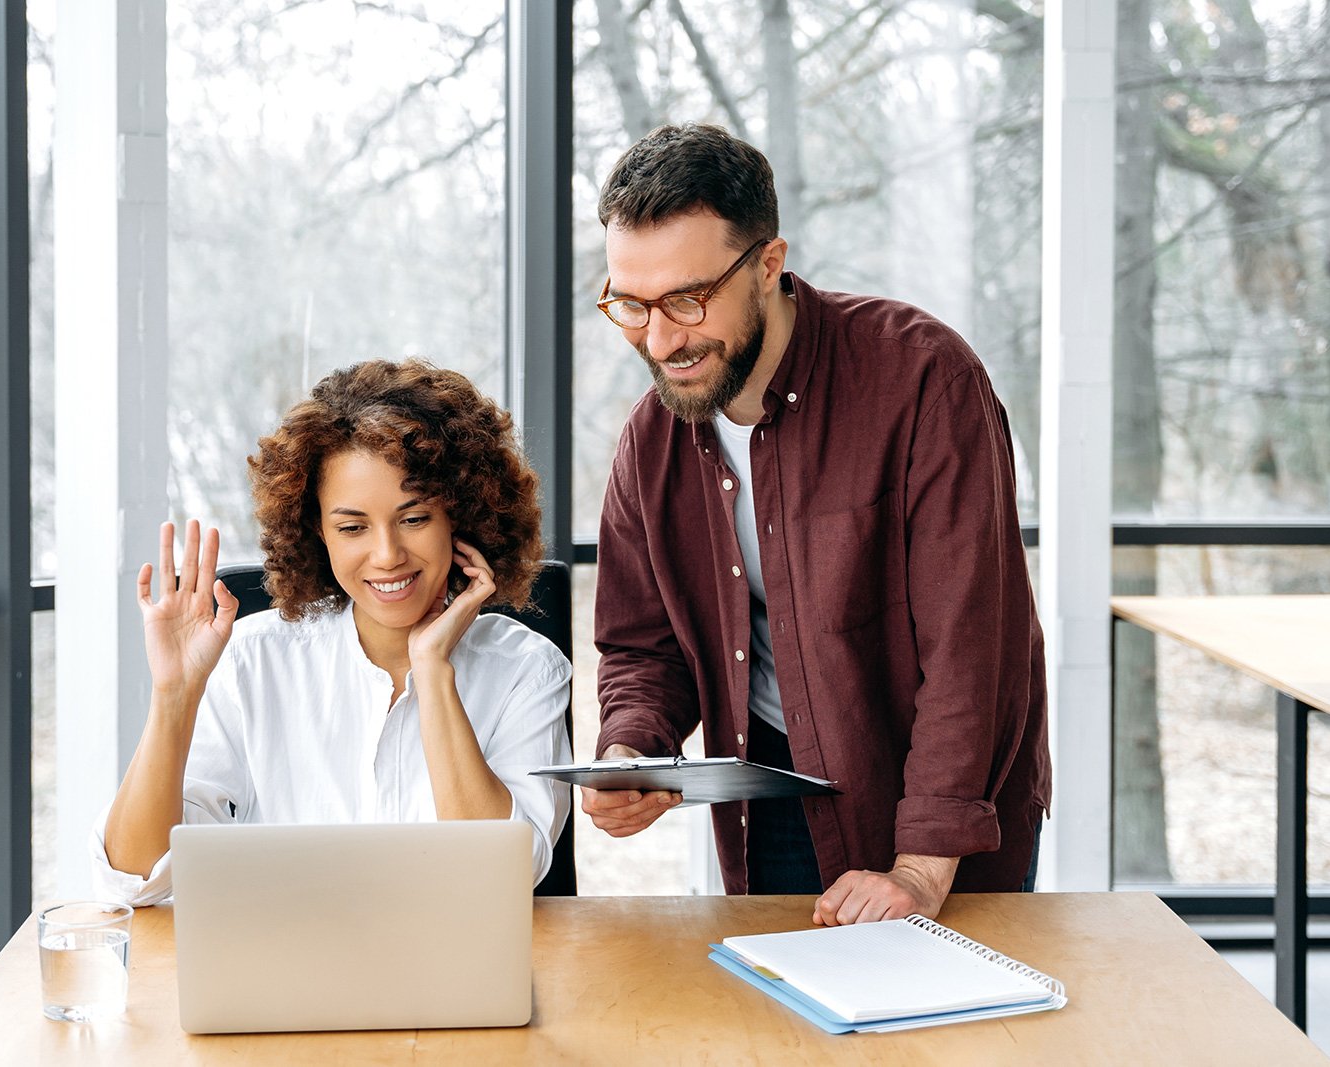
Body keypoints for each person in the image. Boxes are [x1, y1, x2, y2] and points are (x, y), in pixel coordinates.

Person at [581, 123, 1050, 926]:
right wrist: (634, 748)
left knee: (944, 1045)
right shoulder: (651, 438)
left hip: (936, 803)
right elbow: (642, 644)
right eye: (631, 304)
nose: (659, 340)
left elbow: (972, 649)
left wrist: (921, 868)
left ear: (768, 264)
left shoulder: (924, 382)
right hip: (772, 792)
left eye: (688, 300)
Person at [93, 359, 571, 905]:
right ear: (316, 531)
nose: (388, 555)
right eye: (352, 527)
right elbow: (131, 879)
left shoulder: (526, 670)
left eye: (414, 519)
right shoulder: (252, 660)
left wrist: (433, 672)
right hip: (277, 980)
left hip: (452, 981)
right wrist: (173, 697)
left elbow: (501, 879)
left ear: (459, 518)